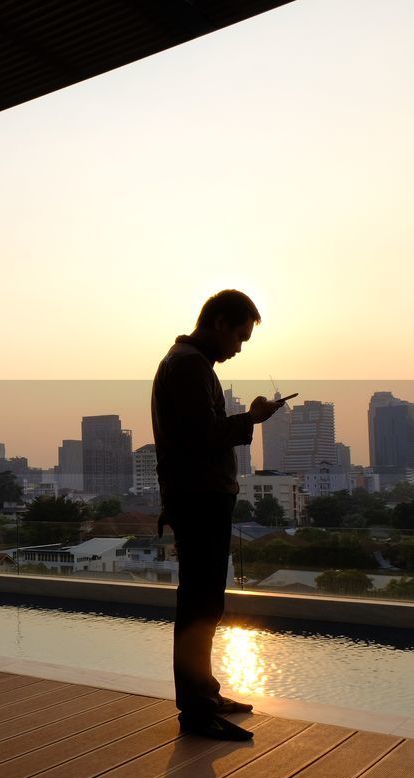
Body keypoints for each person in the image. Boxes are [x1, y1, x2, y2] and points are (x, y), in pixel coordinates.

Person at [150, 290, 286, 741]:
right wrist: (252, 419)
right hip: (199, 498)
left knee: (204, 601)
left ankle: (204, 694)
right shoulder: (188, 366)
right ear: (221, 323)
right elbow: (201, 436)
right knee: (199, 603)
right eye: (240, 337)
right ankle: (196, 709)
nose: (239, 348)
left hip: (197, 496)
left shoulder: (188, 363)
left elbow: (195, 434)